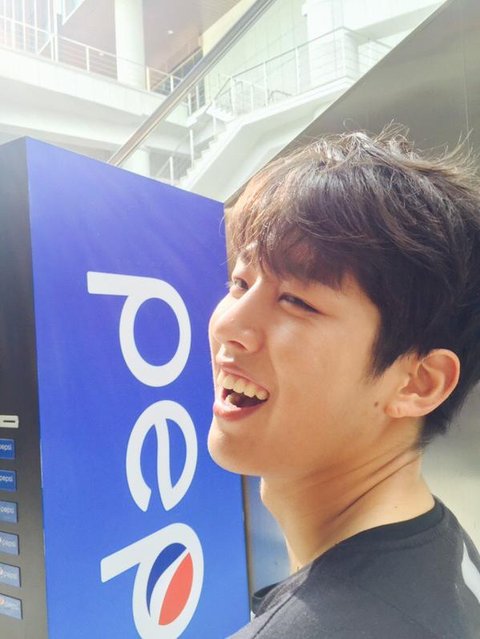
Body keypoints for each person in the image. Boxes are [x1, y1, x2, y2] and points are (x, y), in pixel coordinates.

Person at [207, 127, 480, 638]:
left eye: (297, 301)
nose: (229, 326)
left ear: (418, 384)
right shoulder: (441, 551)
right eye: (240, 283)